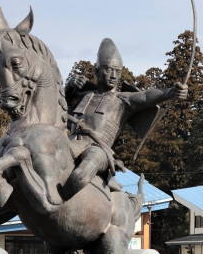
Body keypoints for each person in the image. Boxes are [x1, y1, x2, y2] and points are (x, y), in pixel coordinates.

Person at [62, 38, 187, 199]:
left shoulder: (122, 100)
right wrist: (69, 86)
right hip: (72, 143)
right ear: (97, 71)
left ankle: (60, 200)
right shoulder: (84, 96)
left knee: (87, 166)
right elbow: (58, 105)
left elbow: (146, 96)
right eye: (108, 70)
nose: (113, 76)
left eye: (118, 71)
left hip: (98, 150)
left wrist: (170, 92)